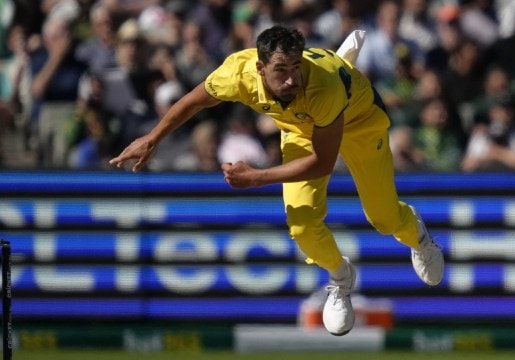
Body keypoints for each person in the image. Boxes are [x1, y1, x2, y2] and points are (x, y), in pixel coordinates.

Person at [109, 25, 444, 336]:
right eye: (281, 70)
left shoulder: (320, 87)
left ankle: (419, 237)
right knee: (301, 225)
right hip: (302, 129)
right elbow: (195, 100)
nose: (291, 79)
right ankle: (340, 280)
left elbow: (323, 163)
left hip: (358, 122)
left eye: (296, 67)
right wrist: (153, 137)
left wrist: (258, 177)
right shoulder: (237, 72)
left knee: (383, 218)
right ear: (259, 68)